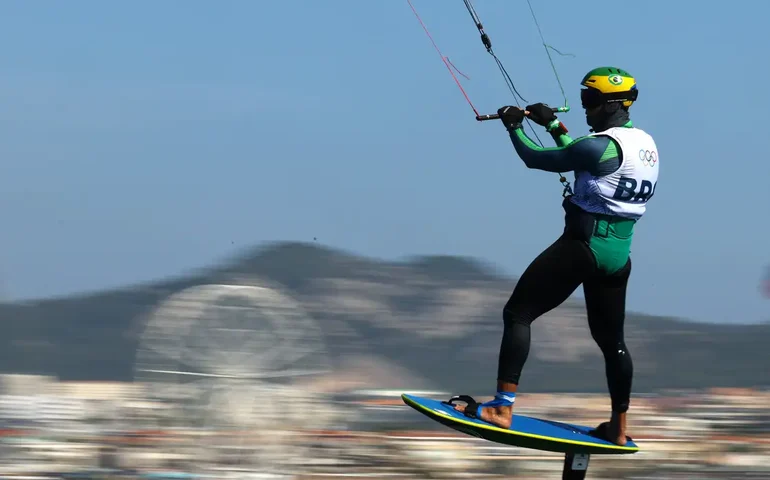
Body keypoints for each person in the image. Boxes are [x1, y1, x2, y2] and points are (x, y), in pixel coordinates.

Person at [452, 66, 659, 446]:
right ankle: (619, 427)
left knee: (518, 314)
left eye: (589, 100)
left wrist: (513, 126)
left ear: (609, 104)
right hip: (619, 257)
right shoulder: (644, 144)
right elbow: (582, 154)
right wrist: (552, 124)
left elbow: (539, 159)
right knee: (612, 342)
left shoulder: (598, 146)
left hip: (583, 247)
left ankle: (502, 407)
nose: (585, 107)